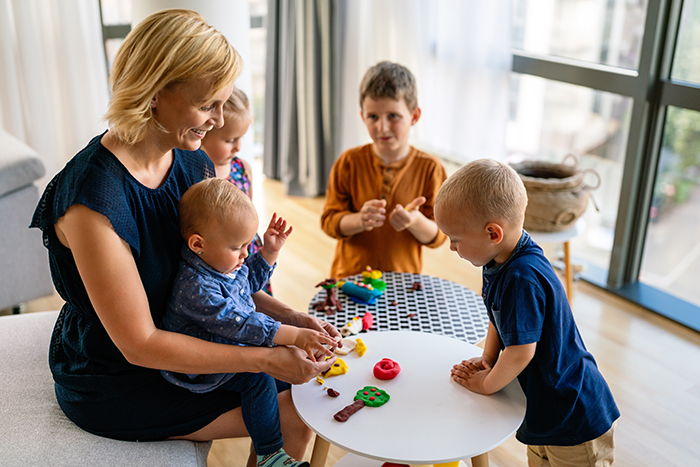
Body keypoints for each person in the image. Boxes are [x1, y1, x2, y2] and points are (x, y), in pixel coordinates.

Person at [29, 9, 338, 467]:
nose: (217, 120)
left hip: (182, 334)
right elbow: (140, 344)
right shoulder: (93, 201)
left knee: (305, 385)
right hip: (120, 375)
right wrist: (265, 358)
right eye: (207, 104)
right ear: (154, 93)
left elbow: (218, 274)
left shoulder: (190, 161)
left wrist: (291, 315)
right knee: (295, 410)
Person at [434, 159, 619, 467]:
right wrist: (487, 359)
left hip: (573, 416)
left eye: (455, 238)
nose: (452, 247)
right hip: (545, 412)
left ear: (493, 233)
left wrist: (485, 383)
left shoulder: (521, 277)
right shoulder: (498, 258)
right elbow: (498, 317)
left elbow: (520, 352)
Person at [161, 178, 337, 466]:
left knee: (288, 374)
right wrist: (293, 336)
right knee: (257, 379)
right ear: (197, 244)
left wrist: (269, 252)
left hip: (229, 347)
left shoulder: (217, 262)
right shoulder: (196, 289)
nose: (245, 253)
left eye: (247, 245)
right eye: (237, 247)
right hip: (203, 369)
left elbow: (247, 282)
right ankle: (269, 453)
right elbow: (241, 323)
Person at [321, 61, 447, 279]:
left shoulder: (430, 169)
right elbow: (329, 223)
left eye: (393, 116)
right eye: (373, 117)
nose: (382, 127)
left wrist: (415, 222)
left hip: (403, 284)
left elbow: (439, 236)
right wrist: (359, 220)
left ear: (414, 116)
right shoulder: (348, 162)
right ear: (363, 116)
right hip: (350, 280)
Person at [200, 88, 272, 294]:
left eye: (241, 138)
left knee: (259, 298)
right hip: (221, 264)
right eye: (230, 140)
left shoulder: (243, 169)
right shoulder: (197, 176)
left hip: (249, 252)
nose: (238, 146)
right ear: (204, 134)